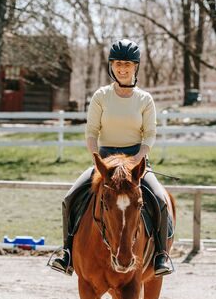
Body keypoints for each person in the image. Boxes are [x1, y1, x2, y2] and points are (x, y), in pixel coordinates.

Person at [50, 39, 174, 277]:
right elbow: (91, 132)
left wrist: (137, 159)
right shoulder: (101, 96)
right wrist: (98, 160)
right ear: (111, 66)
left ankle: (160, 256)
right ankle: (66, 252)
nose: (122, 68)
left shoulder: (145, 99)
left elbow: (149, 133)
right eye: (118, 63)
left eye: (127, 63)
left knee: (160, 199)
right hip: (105, 163)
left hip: (135, 162)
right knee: (70, 197)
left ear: (135, 66)